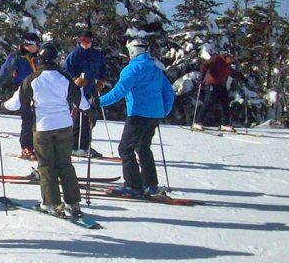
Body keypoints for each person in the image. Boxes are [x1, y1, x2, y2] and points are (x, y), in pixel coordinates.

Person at [3, 42, 89, 217]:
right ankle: (73, 204)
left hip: (43, 128)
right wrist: (90, 111)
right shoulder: (64, 79)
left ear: (40, 59)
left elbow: (14, 105)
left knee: (46, 165)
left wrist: (0, 103)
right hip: (64, 126)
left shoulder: (32, 79)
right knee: (65, 164)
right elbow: (82, 103)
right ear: (56, 60)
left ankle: (52, 204)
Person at [99, 38, 175, 198]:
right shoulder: (156, 68)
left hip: (138, 114)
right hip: (154, 115)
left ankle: (133, 185)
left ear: (132, 51)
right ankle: (150, 185)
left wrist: (99, 102)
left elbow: (119, 92)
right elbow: (168, 92)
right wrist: (163, 111)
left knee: (125, 148)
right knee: (143, 147)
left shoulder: (132, 69)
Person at [0, 32, 40, 158]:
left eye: (34, 44)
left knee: (40, 120)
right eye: (30, 44)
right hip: (24, 90)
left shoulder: (40, 56)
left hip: (41, 91)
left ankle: (40, 147)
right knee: (28, 120)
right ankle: (27, 147)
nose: (34, 46)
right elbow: (4, 72)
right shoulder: (17, 57)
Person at [62, 27, 107, 157]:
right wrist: (75, 79)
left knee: (91, 119)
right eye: (83, 40)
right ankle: (74, 147)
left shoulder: (96, 55)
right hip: (77, 92)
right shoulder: (74, 55)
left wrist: (102, 81)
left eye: (89, 40)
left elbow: (103, 69)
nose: (86, 43)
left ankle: (85, 145)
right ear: (79, 40)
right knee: (77, 120)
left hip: (91, 91)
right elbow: (65, 72)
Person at [193, 52, 246, 132]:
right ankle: (197, 123)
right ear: (227, 56)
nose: (231, 61)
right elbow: (204, 65)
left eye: (233, 59)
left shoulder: (227, 65)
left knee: (225, 104)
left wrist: (242, 78)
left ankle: (225, 124)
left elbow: (232, 73)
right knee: (208, 103)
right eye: (231, 58)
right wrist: (202, 75)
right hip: (211, 83)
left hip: (221, 85)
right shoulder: (216, 59)